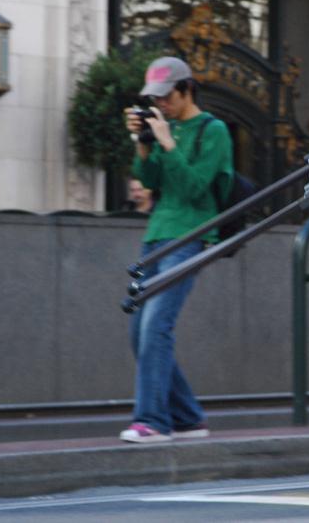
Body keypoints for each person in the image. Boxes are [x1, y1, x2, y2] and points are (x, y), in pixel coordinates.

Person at [120, 56, 233, 443]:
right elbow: (149, 182)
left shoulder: (213, 131)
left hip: (190, 235)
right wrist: (144, 145)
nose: (160, 105)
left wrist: (168, 143)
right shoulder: (164, 128)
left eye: (166, 97)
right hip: (157, 233)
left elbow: (195, 188)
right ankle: (187, 417)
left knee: (156, 326)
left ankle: (153, 420)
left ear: (187, 90)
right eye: (155, 99)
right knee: (140, 332)